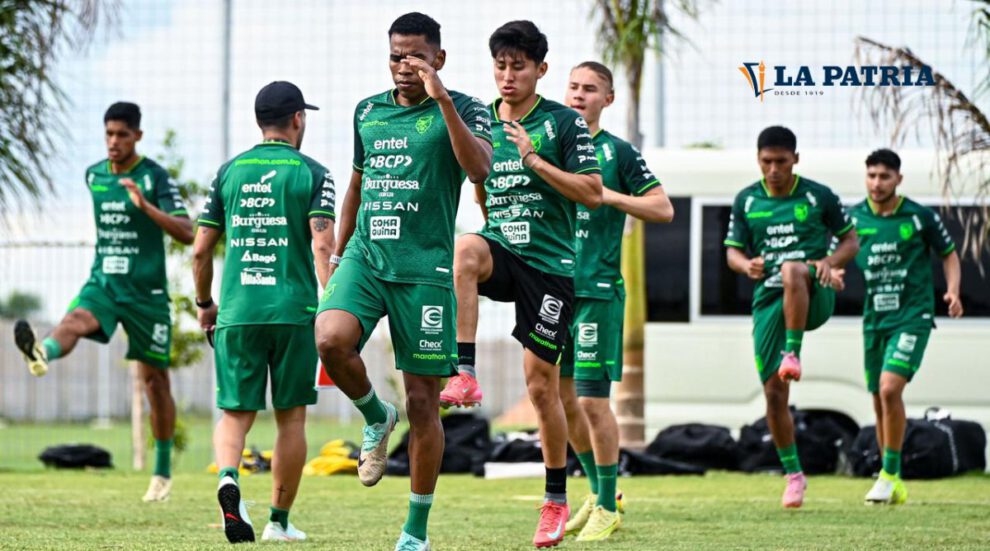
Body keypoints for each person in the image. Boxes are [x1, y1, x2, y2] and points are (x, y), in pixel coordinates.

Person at [313, 12, 492, 551]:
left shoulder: (465, 108)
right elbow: (356, 186)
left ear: (438, 58)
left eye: (414, 56)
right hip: (367, 258)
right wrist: (341, 254)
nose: (404, 66)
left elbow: (479, 168)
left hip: (426, 270)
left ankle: (414, 532)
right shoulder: (368, 112)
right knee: (329, 338)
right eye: (396, 56)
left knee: (423, 403)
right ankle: (374, 414)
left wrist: (441, 100)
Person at [441, 20, 602, 548]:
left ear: (541, 70)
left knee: (540, 384)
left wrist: (533, 158)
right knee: (466, 248)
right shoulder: (481, 120)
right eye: (501, 66)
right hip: (502, 250)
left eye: (519, 67)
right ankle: (464, 371)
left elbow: (593, 193)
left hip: (551, 268)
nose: (508, 76)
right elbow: (479, 181)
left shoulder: (563, 124)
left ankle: (556, 499)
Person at [13, 102, 193, 502]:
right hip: (105, 283)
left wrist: (145, 207)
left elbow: (186, 231)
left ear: (137, 137)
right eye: (108, 134)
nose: (113, 142)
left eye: (122, 135)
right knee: (75, 317)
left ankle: (161, 472)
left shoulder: (154, 177)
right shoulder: (93, 174)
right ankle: (42, 351)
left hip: (147, 295)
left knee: (155, 384)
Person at [192, 81, 335, 543]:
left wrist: (205, 304)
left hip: (237, 311)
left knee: (234, 415)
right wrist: (333, 304)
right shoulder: (314, 173)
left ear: (259, 121)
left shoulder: (229, 173)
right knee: (291, 418)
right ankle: (278, 521)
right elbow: (323, 243)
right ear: (298, 119)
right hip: (294, 312)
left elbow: (200, 251)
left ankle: (229, 478)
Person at [558, 61, 674, 542]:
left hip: (596, 292)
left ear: (607, 99)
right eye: (573, 87)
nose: (579, 95)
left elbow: (662, 208)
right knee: (560, 400)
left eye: (590, 89)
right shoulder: (550, 143)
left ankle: (607, 504)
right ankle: (598, 491)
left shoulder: (617, 153)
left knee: (590, 399)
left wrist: (608, 196)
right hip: (550, 291)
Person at [723, 126, 859, 508]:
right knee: (773, 393)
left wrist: (829, 263)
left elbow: (850, 240)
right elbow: (732, 252)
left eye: (781, 162)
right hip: (769, 301)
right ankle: (794, 475)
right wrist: (744, 264)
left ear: (795, 159)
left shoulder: (818, 195)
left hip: (814, 290)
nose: (773, 170)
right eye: (766, 162)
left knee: (793, 270)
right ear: (758, 160)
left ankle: (793, 352)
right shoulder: (747, 200)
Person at [846, 148, 963, 505]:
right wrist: (833, 272)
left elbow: (949, 253)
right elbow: (837, 254)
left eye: (884, 176)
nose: (877, 183)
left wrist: (953, 292)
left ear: (898, 179)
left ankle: (889, 475)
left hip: (912, 315)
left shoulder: (918, 216)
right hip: (874, 319)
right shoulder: (853, 218)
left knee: (889, 388)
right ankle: (889, 476)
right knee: (879, 400)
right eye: (871, 176)